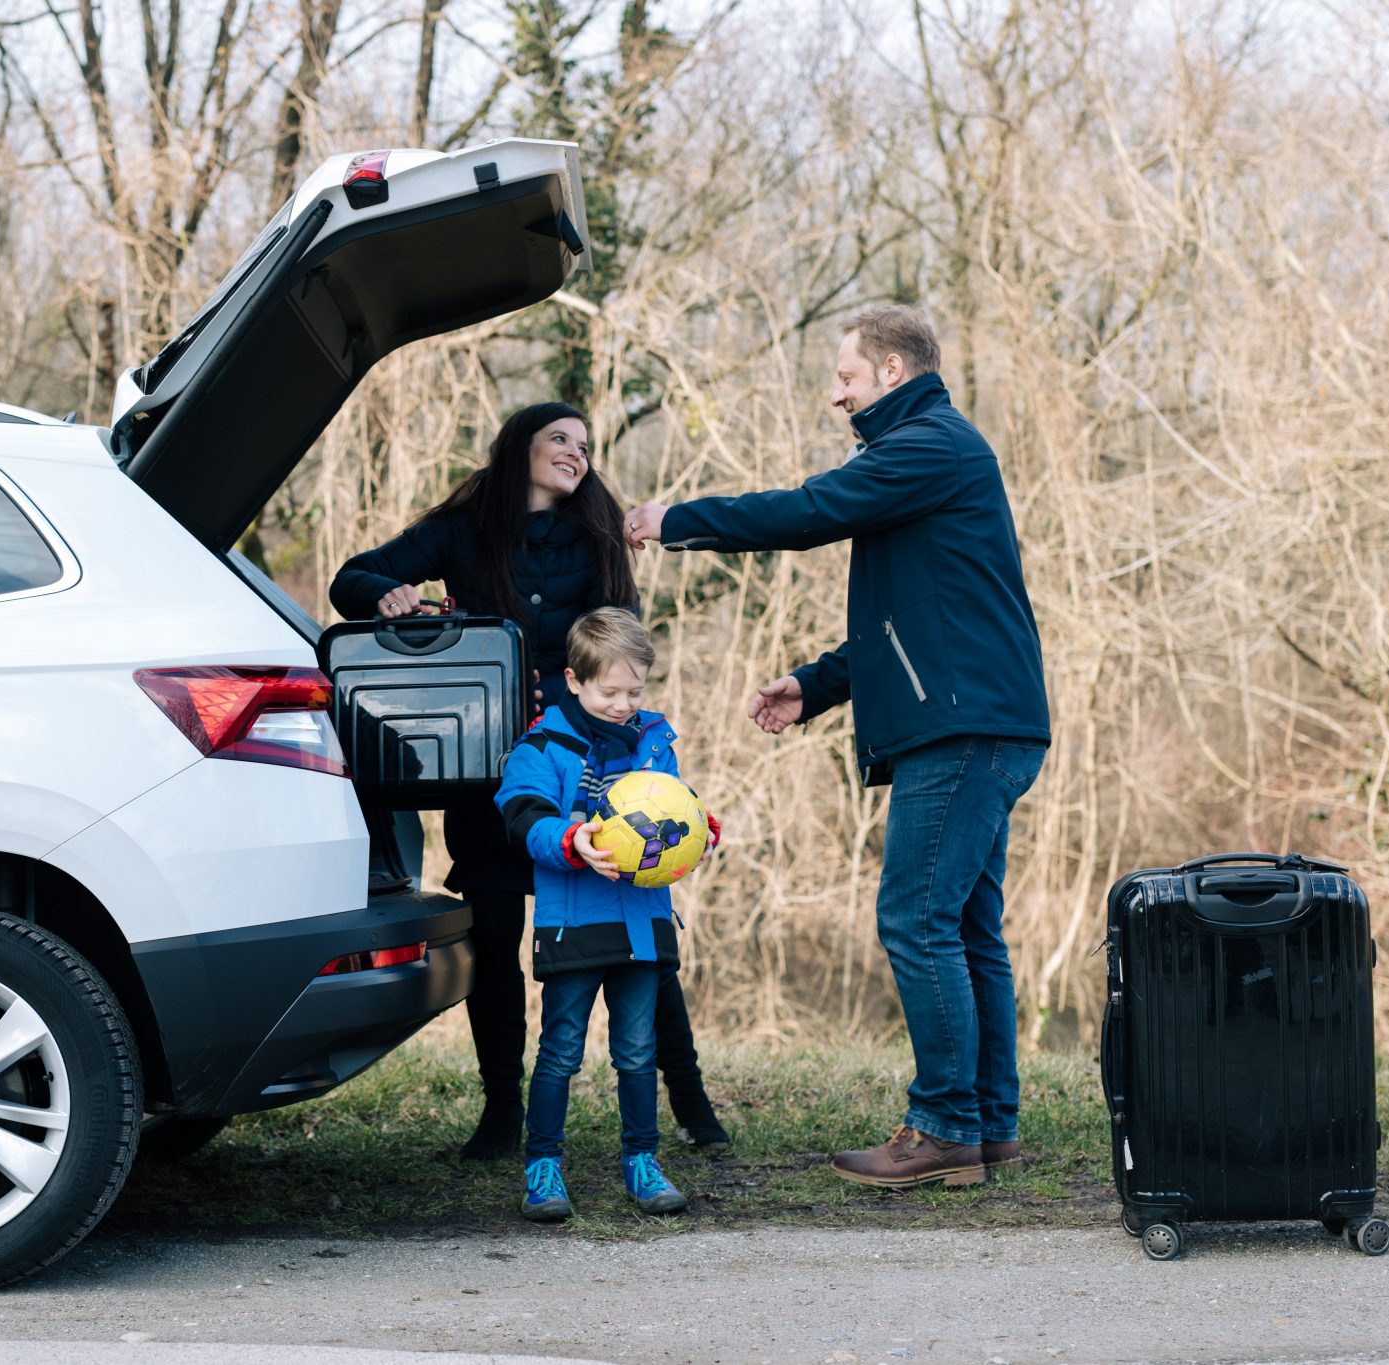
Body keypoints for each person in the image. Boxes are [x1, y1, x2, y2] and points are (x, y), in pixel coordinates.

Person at [624, 305, 1050, 1189]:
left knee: (917, 920)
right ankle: (987, 1124)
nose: (835, 394)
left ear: (892, 372)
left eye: (846, 376)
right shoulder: (933, 454)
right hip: (981, 721)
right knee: (966, 927)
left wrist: (677, 521)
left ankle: (944, 1128)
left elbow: (809, 509)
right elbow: (920, 623)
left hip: (963, 732)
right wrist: (815, 685)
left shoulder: (928, 445)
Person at [330, 404, 729, 1161]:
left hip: (593, 766)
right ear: (521, 447)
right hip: (490, 767)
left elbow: (622, 648)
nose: (576, 453)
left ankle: (691, 1100)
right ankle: (501, 1112)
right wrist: (387, 593)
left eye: (584, 445)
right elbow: (350, 578)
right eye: (560, 439)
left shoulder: (599, 532)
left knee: (637, 932)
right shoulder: (463, 528)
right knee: (493, 933)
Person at [492, 608, 719, 1220]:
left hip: (642, 924)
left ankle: (642, 1161)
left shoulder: (654, 742)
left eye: (635, 692)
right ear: (574, 680)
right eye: (609, 692)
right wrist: (572, 842)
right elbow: (523, 816)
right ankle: (543, 1167)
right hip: (573, 924)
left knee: (638, 1052)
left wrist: (699, 831)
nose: (624, 705)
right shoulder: (543, 746)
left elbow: (677, 808)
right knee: (561, 1050)